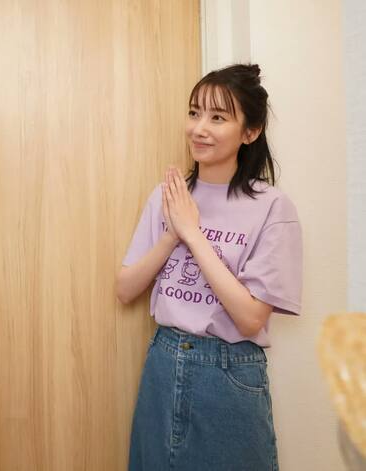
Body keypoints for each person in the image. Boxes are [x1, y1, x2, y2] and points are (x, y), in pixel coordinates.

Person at [116, 64, 302, 471]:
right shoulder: (167, 196)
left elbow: (250, 318)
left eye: (218, 117)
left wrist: (192, 234)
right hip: (163, 363)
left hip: (229, 373)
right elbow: (126, 289)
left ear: (250, 132)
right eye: (194, 112)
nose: (199, 128)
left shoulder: (272, 207)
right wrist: (172, 234)